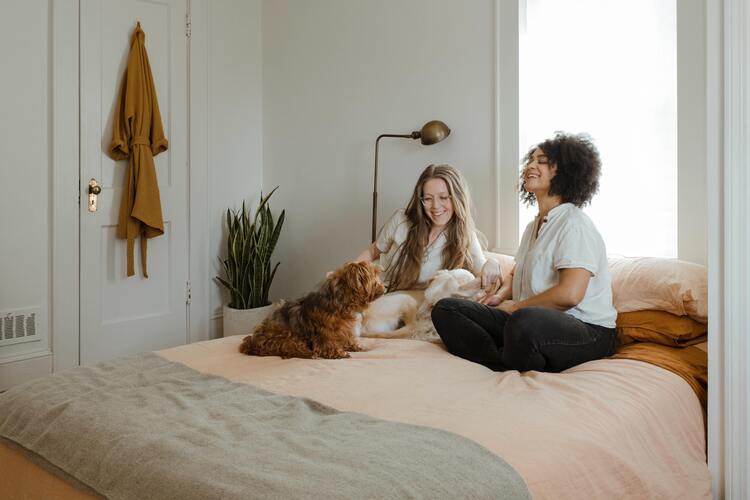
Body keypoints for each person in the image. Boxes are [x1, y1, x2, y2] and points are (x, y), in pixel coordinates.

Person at [431, 132, 617, 373]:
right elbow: (517, 271)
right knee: (446, 309)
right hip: (529, 320)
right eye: (531, 160)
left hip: (588, 331)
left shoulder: (574, 224)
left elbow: (570, 294)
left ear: (565, 171)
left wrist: (517, 307)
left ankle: (511, 354)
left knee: (523, 322)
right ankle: (502, 362)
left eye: (541, 161)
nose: (530, 165)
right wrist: (499, 297)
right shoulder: (534, 226)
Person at [355, 164, 501, 292]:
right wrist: (345, 271)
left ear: (457, 198)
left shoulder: (464, 235)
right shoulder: (401, 220)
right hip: (376, 291)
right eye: (428, 198)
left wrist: (493, 263)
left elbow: (482, 270)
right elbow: (373, 251)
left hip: (410, 303)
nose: (435, 206)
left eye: (443, 197)